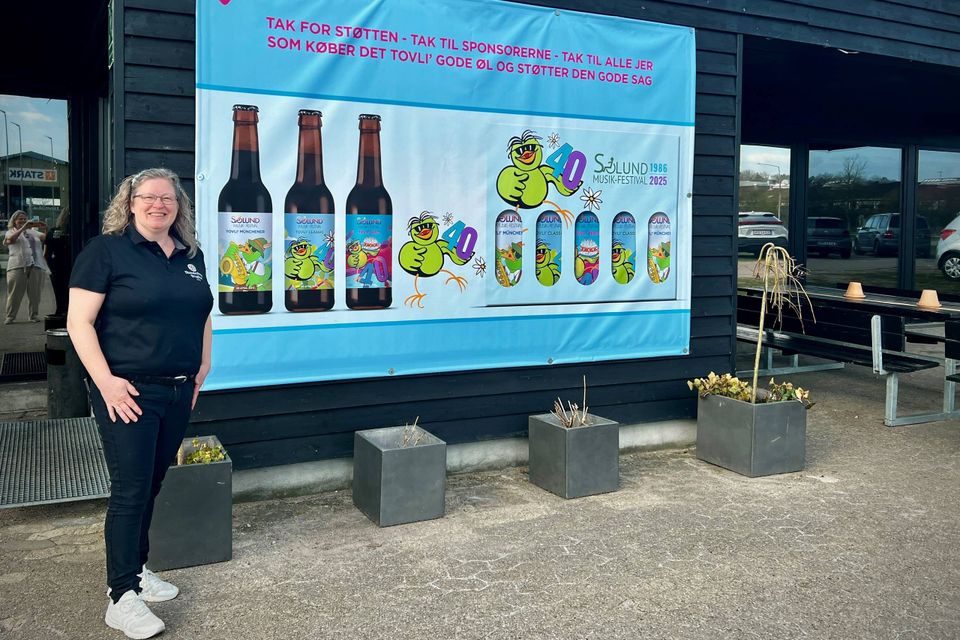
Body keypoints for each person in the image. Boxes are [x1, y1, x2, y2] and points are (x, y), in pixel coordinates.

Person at [67, 168, 213, 639]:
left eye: (167, 198)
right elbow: (79, 323)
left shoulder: (191, 255)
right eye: (148, 197)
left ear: (179, 206)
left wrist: (203, 365)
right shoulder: (105, 252)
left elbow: (201, 314)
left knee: (151, 483)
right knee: (130, 489)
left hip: (177, 389)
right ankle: (121, 596)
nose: (158, 205)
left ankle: (137, 570)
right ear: (130, 204)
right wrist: (106, 383)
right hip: (127, 391)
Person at [4, 209, 48, 324]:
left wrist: (45, 228)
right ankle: (10, 316)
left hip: (35, 265)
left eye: (25, 219)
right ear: (14, 221)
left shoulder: (33, 232)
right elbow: (10, 240)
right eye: (20, 219)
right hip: (17, 265)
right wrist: (23, 228)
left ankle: (33, 315)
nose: (23, 221)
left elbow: (45, 238)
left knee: (35, 293)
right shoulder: (10, 232)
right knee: (15, 293)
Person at [45, 207, 71, 317]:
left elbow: (47, 252)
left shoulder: (53, 232)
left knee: (59, 290)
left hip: (56, 265)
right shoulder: (73, 232)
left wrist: (50, 266)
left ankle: (60, 310)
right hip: (69, 264)